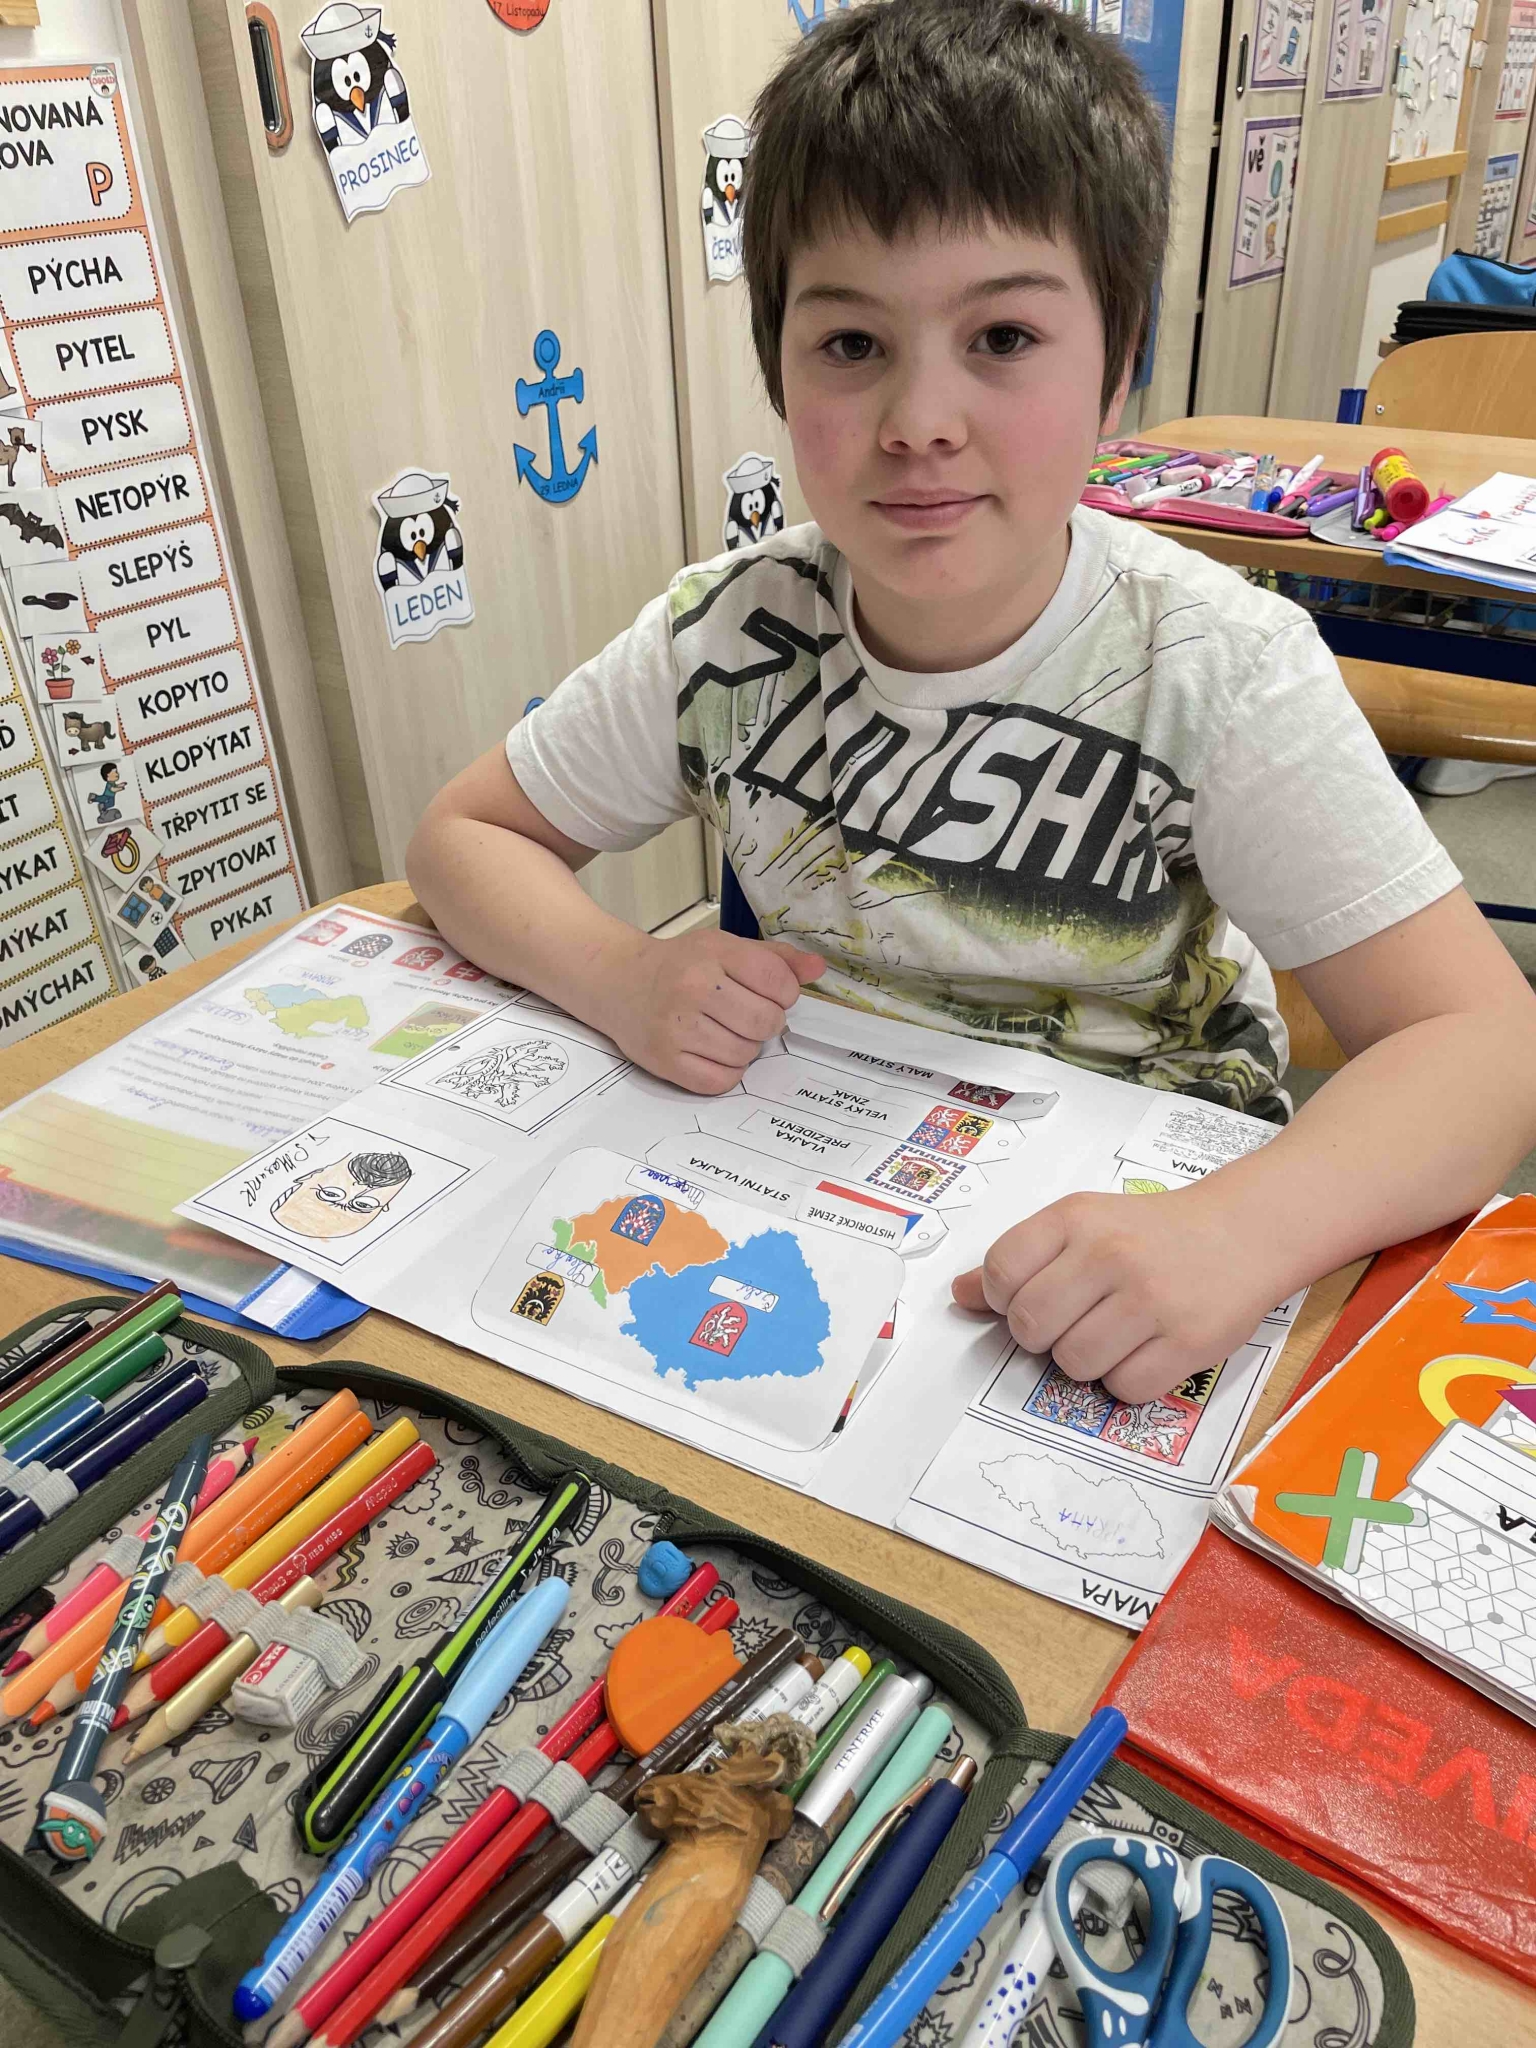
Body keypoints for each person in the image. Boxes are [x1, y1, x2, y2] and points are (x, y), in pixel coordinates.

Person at [408, 0, 1536, 1405]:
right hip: (817, 1205)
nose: (919, 423)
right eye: (850, 345)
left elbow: (1486, 1047)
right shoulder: (729, 631)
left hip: (1139, 1251)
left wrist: (1238, 1233)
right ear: (777, 367)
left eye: (1002, 335)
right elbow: (464, 836)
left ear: (1118, 366)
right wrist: (620, 973)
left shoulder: (1218, 666)